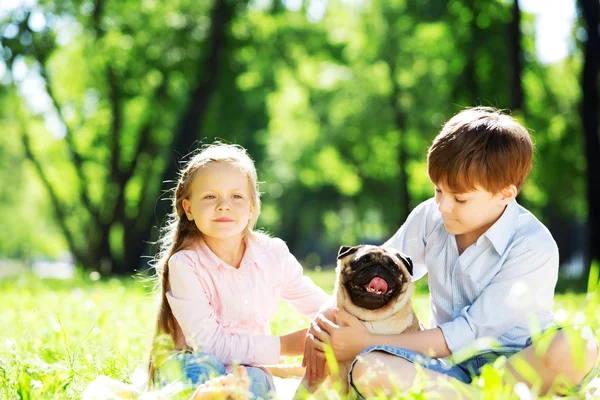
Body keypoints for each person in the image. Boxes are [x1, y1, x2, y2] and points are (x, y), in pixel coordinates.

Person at [305, 107, 600, 398]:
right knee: (367, 368)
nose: (443, 206)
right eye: (438, 190)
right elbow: (379, 268)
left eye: (460, 198)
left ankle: (475, 395)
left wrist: (366, 340)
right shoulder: (429, 218)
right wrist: (324, 321)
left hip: (521, 365)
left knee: (578, 344)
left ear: (505, 194)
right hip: (446, 370)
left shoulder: (532, 245)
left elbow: (471, 332)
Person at [147, 143, 329, 399]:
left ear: (253, 206)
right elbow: (208, 344)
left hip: (249, 366)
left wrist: (336, 330)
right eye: (210, 196)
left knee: (253, 378)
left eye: (237, 196)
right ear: (188, 208)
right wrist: (288, 345)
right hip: (191, 359)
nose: (223, 205)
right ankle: (207, 394)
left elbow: (322, 308)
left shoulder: (272, 255)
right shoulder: (185, 264)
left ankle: (230, 393)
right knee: (202, 369)